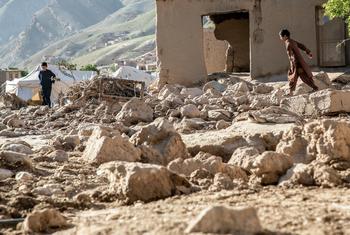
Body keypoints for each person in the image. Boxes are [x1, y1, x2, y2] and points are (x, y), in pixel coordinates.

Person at [279, 29, 319, 96]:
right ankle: (291, 92)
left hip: (297, 64)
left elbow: (292, 55)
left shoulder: (289, 43)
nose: (280, 38)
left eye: (281, 36)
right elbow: (301, 45)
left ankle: (315, 88)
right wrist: (308, 52)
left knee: (302, 77)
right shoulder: (291, 41)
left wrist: (294, 65)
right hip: (297, 63)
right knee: (294, 77)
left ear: (285, 36)